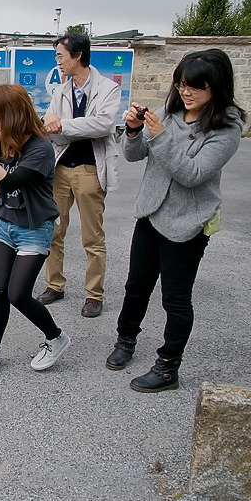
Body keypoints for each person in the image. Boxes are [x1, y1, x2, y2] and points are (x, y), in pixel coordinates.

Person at [105, 49, 245, 393]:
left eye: (196, 87)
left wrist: (160, 135)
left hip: (188, 223)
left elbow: (192, 174)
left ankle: (168, 366)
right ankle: (126, 339)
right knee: (136, 285)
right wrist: (135, 130)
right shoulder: (170, 112)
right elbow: (133, 155)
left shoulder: (226, 127)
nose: (186, 93)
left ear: (217, 87)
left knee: (176, 298)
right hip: (151, 213)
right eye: (182, 85)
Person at [0, 84, 69, 375]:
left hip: (34, 228)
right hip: (5, 224)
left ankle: (56, 338)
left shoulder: (41, 148)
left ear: (15, 115)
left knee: (18, 294)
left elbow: (10, 182)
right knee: (1, 290)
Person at [36, 32, 121, 318]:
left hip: (90, 169)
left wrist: (63, 126)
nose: (57, 61)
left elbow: (103, 125)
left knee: (92, 236)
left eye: (61, 56)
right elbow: (50, 125)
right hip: (60, 168)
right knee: (53, 230)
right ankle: (54, 284)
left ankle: (94, 294)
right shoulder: (60, 91)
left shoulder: (108, 88)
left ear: (78, 56)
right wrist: (56, 126)